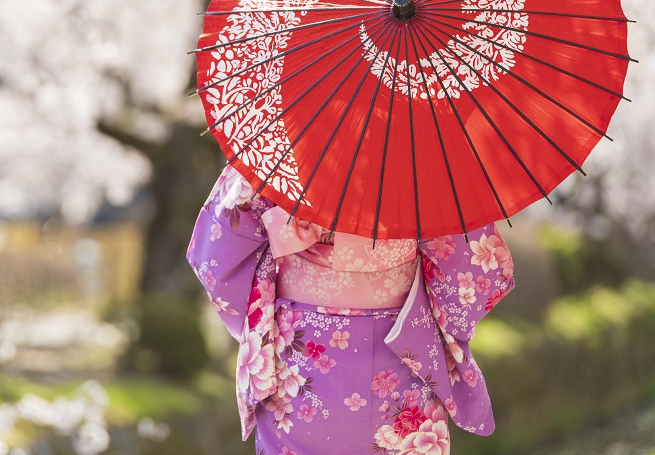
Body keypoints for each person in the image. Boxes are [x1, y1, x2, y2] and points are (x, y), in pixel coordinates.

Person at [187, 165, 515, 454]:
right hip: (404, 346)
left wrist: (257, 312)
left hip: (299, 350)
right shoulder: (425, 149)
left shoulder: (280, 139)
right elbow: (475, 272)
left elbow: (216, 256)